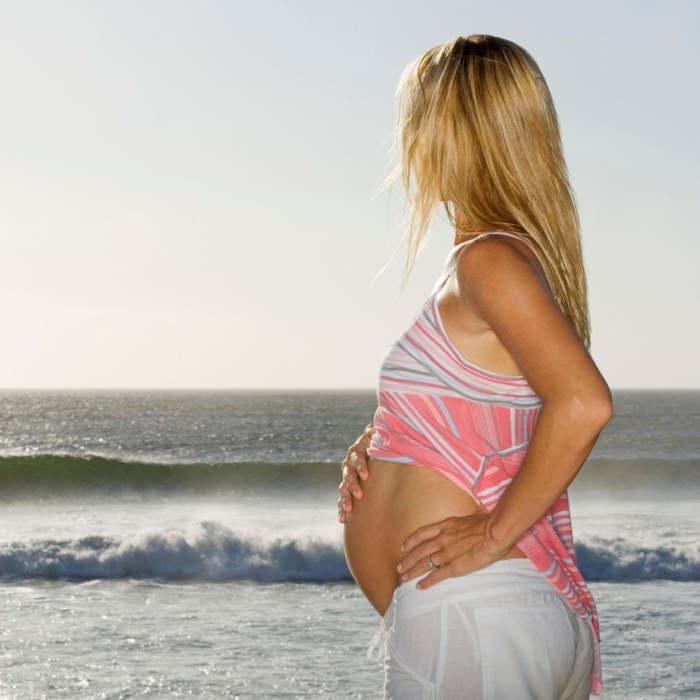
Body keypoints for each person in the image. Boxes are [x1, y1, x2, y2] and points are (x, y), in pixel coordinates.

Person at [338, 34, 612, 699]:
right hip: (488, 620)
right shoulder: (500, 262)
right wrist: (382, 442)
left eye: (418, 122)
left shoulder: (488, 261)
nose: (409, 145)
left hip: (479, 616)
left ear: (450, 134)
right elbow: (485, 420)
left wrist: (492, 534)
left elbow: (584, 403)